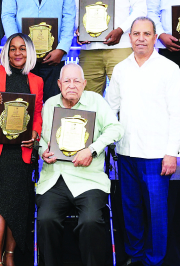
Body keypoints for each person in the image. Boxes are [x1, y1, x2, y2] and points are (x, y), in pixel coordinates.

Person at [106, 17, 180, 266]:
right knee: (131, 210)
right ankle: (135, 256)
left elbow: (177, 114)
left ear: (154, 37)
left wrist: (172, 152)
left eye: (146, 34)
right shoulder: (120, 69)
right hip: (126, 152)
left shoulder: (169, 68)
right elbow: (110, 109)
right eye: (136, 33)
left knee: (156, 213)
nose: (141, 38)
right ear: (129, 37)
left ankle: (154, 260)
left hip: (157, 155)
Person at [37, 63, 123, 266]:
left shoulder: (96, 101)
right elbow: (40, 138)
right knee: (45, 220)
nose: (72, 85)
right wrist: (43, 151)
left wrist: (92, 149)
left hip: (89, 179)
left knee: (90, 221)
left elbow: (116, 129)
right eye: (67, 80)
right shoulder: (50, 105)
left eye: (77, 81)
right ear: (59, 84)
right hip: (55, 178)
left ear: (84, 84)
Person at [0, 33, 44, 266]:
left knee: (19, 204)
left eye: (22, 49)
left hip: (22, 152)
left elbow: (37, 116)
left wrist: (35, 134)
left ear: (30, 52)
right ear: (6, 52)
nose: (17, 53)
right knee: (3, 205)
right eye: (12, 48)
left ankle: (10, 256)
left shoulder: (37, 81)